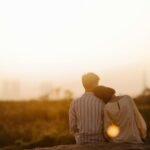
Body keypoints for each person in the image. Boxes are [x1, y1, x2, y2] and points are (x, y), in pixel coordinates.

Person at [69, 73, 105, 144]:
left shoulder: (74, 102)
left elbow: (73, 127)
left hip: (81, 141)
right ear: (95, 84)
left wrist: (79, 136)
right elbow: (107, 124)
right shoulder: (102, 102)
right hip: (100, 141)